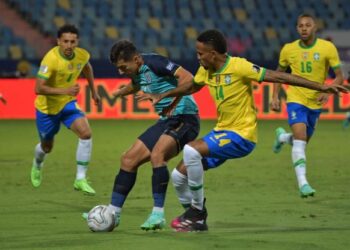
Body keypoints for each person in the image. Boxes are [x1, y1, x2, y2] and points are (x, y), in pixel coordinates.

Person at [139, 29, 348, 232]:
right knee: (178, 176)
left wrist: (320, 87)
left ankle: (197, 211)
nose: (197, 57)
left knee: (191, 150)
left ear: (213, 54)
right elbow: (192, 87)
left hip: (242, 135)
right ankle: (196, 221)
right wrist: (166, 96)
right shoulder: (205, 69)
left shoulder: (240, 66)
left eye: (200, 53)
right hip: (222, 132)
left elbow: (280, 77)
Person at [99, 40, 199, 231]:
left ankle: (158, 214)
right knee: (128, 159)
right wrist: (121, 92)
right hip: (166, 121)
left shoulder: (155, 62)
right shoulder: (137, 70)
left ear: (136, 59)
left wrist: (165, 97)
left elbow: (188, 79)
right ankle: (113, 213)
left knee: (157, 156)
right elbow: (136, 85)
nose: (120, 72)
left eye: (122, 67)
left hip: (186, 118)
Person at [270, 14, 344, 198]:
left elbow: (339, 76)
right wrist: (275, 96)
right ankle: (303, 183)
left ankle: (282, 138)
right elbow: (278, 74)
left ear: (315, 28)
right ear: (297, 29)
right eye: (300, 25)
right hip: (295, 98)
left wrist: (327, 91)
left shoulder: (327, 48)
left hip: (315, 102)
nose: (304, 28)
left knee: (300, 141)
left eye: (308, 25)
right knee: (301, 140)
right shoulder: (288, 49)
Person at [30, 24, 101, 195]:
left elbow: (87, 67)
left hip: (68, 103)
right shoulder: (51, 59)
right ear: (58, 42)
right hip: (47, 109)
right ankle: (37, 164)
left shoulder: (82, 54)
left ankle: (80, 178)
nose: (69, 45)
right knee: (47, 147)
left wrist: (94, 91)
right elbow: (38, 88)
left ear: (77, 42)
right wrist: (65, 90)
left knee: (86, 133)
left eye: (73, 41)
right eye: (65, 41)